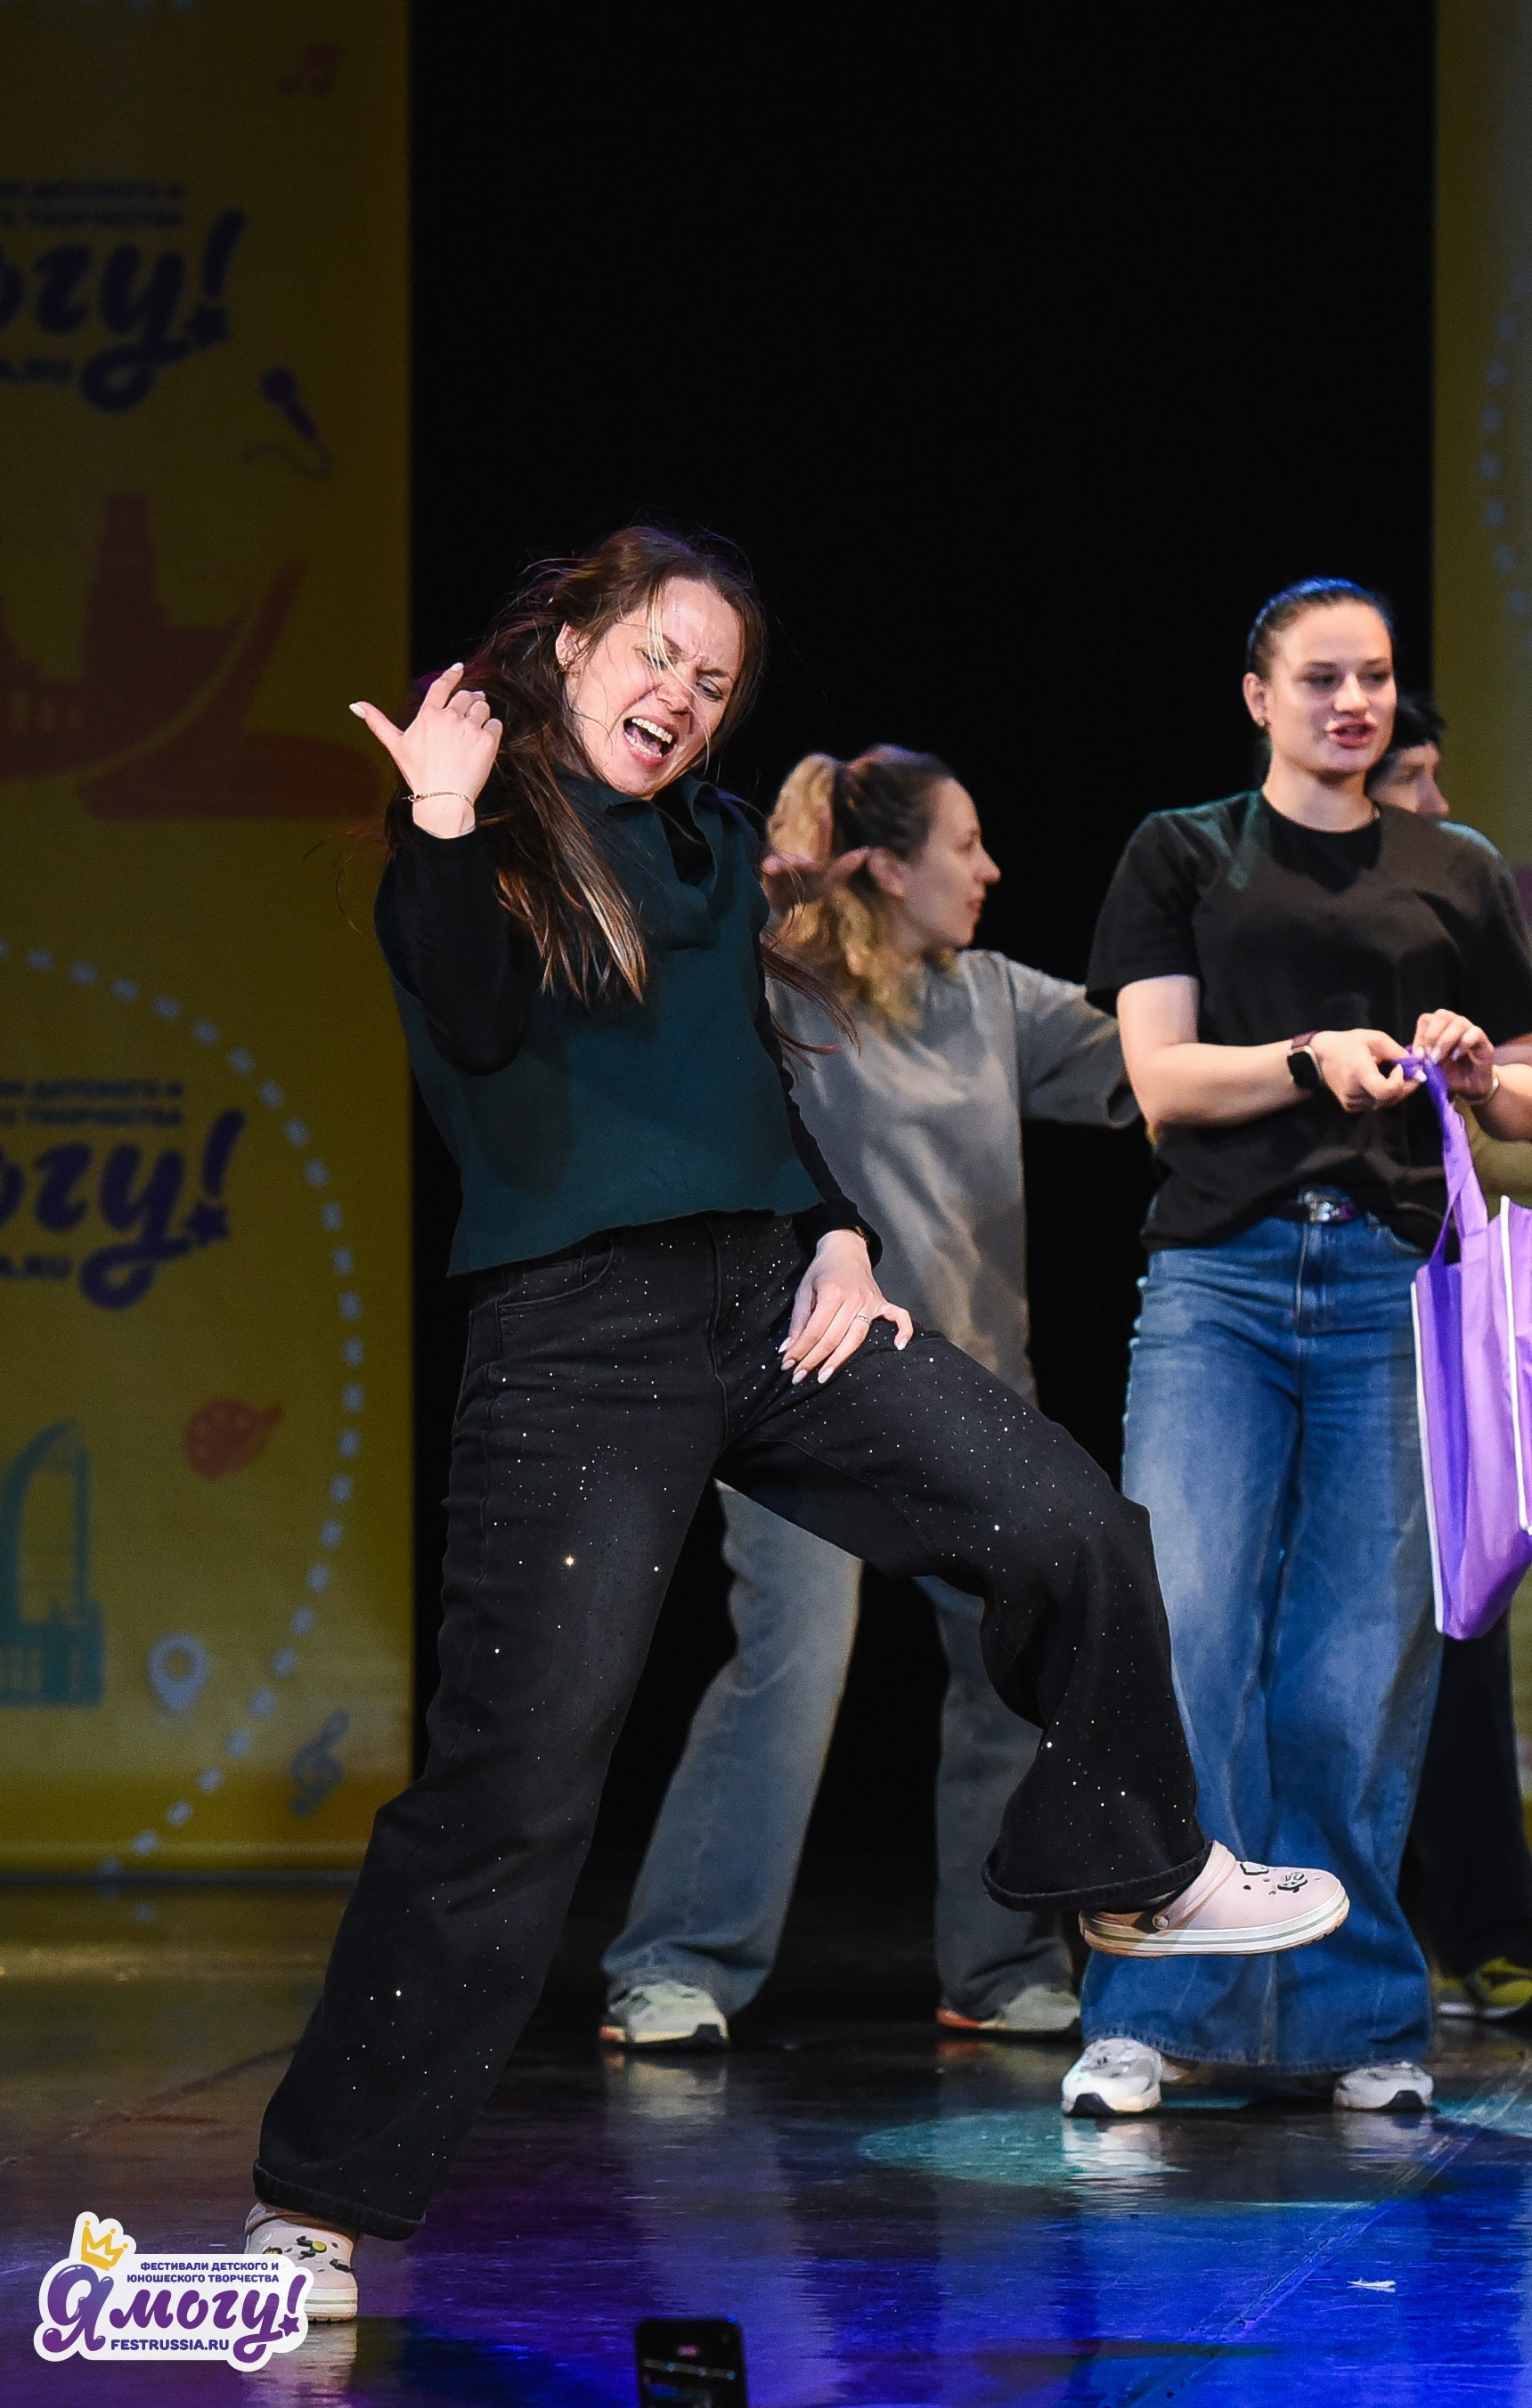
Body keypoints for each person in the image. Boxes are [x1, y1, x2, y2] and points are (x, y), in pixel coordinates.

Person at [241, 530, 1346, 2318]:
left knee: (1067, 1523)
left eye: (713, 682)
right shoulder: (483, 824)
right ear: (573, 642)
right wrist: (440, 815)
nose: (679, 699)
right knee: (512, 1786)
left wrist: (835, 1224)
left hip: (778, 1298)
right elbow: (466, 1017)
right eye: (655, 657)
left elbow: (745, 1075)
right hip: (578, 1336)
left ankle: (1130, 1863)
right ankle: (318, 2198)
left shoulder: (710, 842)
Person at [1068, 577, 1532, 2123]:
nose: (1354, 703)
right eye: (1322, 678)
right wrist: (1304, 1057)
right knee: (1190, 1637)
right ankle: (1153, 2006)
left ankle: (1353, 2014)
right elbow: (1161, 1082)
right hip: (1222, 1284)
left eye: (1375, 677)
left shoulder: (1459, 869)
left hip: (1394, 1287)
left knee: (1356, 1671)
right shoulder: (1185, 849)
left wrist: (1479, 1067)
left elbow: (1528, 1093)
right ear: (1259, 695)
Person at [600, 744, 1137, 2051]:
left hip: (974, 1397)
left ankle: (1000, 1965)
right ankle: (675, 1960)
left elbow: (1151, 1066)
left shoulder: (993, 999)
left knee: (1007, 1668)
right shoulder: (783, 990)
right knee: (793, 1665)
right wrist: (753, 908)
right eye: (965, 846)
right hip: (808, 1392)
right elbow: (653, 1020)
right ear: (890, 869)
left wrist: (1302, 1029)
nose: (990, 870)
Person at [1367, 697, 1532, 2018]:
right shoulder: (1278, 911)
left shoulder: (1478, 898)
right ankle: (1375, 1930)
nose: (1430, 801)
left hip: (1463, 1295)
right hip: (1331, 1296)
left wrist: (1478, 1081)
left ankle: (1484, 1925)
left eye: (1433, 773)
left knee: (1465, 1608)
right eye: (1405, 778)